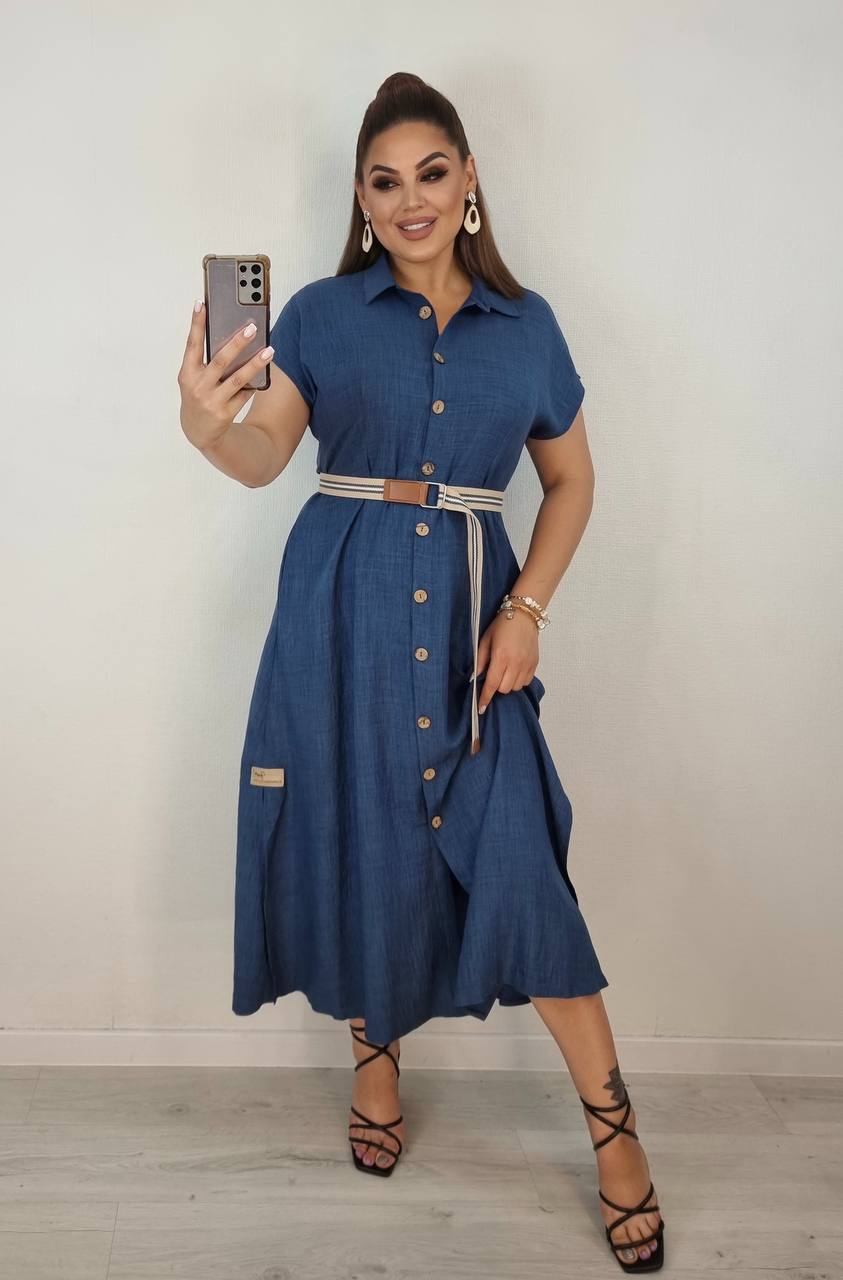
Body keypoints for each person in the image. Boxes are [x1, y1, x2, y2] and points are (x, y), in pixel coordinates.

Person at [178, 71, 664, 1272]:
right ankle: (375, 1066)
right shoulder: (321, 317)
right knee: (363, 837)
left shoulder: (529, 328)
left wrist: (527, 607)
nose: (410, 200)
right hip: (339, 610)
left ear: (469, 179)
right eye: (385, 181)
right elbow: (264, 452)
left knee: (521, 865)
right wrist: (205, 423)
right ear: (361, 196)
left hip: (472, 625)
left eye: (431, 173)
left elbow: (572, 480)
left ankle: (615, 1133)